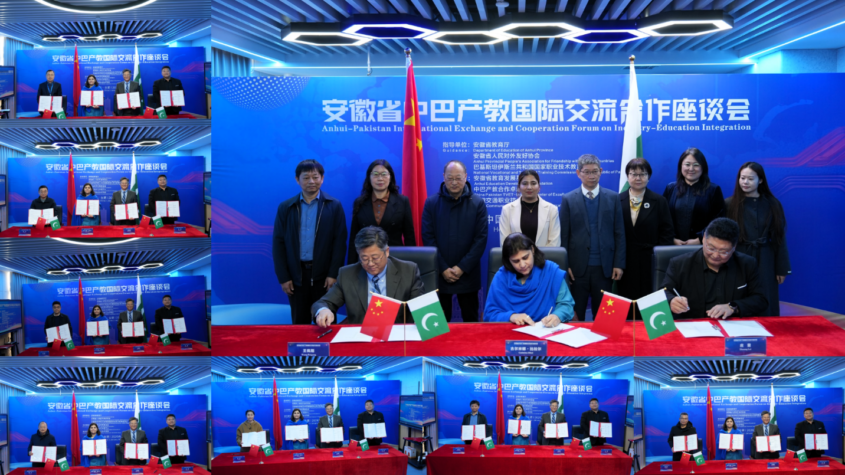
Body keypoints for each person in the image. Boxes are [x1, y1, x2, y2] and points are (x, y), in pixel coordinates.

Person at [273, 160, 347, 325]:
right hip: (296, 277)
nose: (311, 181)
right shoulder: (286, 207)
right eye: (306, 177)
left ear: (322, 178)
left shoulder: (334, 206)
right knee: (299, 323)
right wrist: (283, 277)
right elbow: (278, 244)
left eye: (315, 177)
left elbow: (340, 243)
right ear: (297, 179)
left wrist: (333, 274)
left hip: (324, 276)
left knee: (326, 322)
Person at [314, 226, 424, 327]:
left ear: (386, 252)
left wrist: (420, 318)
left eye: (375, 258)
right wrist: (323, 310)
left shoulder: (408, 271)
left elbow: (421, 306)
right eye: (364, 258)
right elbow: (323, 303)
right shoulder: (347, 275)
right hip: (361, 337)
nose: (370, 264)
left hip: (397, 335)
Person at [559, 154, 625, 320]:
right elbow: (564, 236)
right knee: (575, 316)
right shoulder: (568, 199)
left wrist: (618, 264)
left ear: (601, 171)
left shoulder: (613, 197)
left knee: (606, 318)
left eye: (595, 171)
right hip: (577, 269)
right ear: (578, 173)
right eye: (586, 172)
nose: (591, 176)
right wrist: (566, 265)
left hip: (605, 268)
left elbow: (619, 233)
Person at [422, 160, 488, 322]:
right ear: (443, 177)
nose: (454, 182)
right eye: (450, 178)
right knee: (436, 325)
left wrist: (461, 268)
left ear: (465, 177)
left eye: (458, 178)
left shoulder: (477, 203)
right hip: (439, 274)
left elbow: (480, 239)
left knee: (471, 324)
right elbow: (428, 238)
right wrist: (443, 268)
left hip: (468, 274)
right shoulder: (431, 203)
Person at [663, 218, 768, 319]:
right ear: (704, 238)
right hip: (693, 325)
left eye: (723, 251)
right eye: (711, 248)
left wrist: (733, 307)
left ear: (734, 247)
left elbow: (760, 299)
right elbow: (663, 293)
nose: (715, 255)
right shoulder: (680, 264)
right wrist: (671, 301)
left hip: (731, 326)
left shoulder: (747, 264)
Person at [726, 162, 791, 316]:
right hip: (738, 256)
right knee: (738, 294)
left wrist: (782, 268)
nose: (745, 182)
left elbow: (779, 237)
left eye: (750, 179)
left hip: (766, 258)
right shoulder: (729, 204)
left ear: (760, 180)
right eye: (742, 178)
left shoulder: (772, 204)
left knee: (766, 295)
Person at [617, 158, 674, 316]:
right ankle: (628, 331)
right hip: (625, 262)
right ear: (627, 176)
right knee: (627, 304)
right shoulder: (617, 200)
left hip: (651, 261)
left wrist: (659, 258)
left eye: (642, 174)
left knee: (651, 304)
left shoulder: (659, 201)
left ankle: (653, 331)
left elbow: (667, 233)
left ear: (649, 176)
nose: (638, 178)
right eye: (633, 174)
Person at [483, 233, 575, 325]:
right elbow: (490, 314)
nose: (522, 265)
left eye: (525, 257)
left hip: (546, 329)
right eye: (516, 261)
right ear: (509, 260)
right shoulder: (501, 277)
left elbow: (566, 304)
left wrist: (557, 316)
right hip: (512, 330)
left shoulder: (551, 271)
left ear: (532, 250)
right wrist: (512, 316)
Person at [347, 159, 415, 264]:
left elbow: (409, 237)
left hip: (395, 261)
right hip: (367, 262)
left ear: (390, 177)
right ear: (369, 177)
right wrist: (351, 267)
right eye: (375, 174)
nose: (380, 178)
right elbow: (354, 239)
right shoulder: (359, 203)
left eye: (384, 174)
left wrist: (411, 266)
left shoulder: (402, 202)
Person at [663, 148, 725, 246]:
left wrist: (700, 239)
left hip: (703, 246)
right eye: (687, 164)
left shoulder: (713, 190)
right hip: (673, 245)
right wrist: (672, 239)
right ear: (681, 166)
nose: (691, 169)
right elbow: (662, 218)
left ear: (703, 167)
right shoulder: (670, 188)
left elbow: (719, 221)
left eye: (696, 165)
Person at [499, 169, 561, 247]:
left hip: (544, 255)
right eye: (524, 183)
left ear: (539, 187)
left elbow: (554, 243)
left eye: (533, 183)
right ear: (519, 187)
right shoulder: (507, 210)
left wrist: (538, 255)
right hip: (516, 255)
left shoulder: (552, 210)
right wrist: (522, 255)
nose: (529, 187)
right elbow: (505, 243)